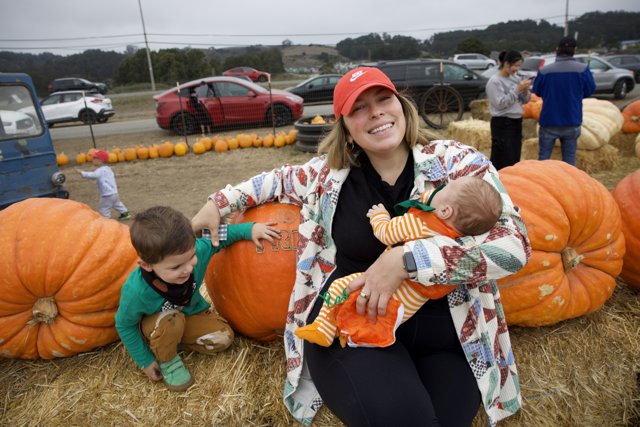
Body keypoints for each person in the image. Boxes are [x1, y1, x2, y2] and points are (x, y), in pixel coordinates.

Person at [192, 66, 530, 426]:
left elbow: (514, 246)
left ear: (401, 106)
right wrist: (217, 203)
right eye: (359, 108)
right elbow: (274, 180)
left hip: (447, 336)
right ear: (346, 126)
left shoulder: (457, 163)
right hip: (353, 327)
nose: (376, 112)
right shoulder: (327, 177)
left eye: (383, 99)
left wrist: (406, 259)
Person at [296, 176, 502, 348]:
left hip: (389, 290)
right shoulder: (457, 243)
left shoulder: (419, 224)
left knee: (340, 287)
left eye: (444, 188)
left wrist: (379, 216)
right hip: (410, 305)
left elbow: (386, 234)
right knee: (372, 316)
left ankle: (323, 329)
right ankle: (351, 334)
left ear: (445, 211)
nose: (439, 187)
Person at [115, 205, 281, 391]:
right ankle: (167, 359)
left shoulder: (198, 251)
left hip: (188, 316)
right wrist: (145, 361)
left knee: (223, 337)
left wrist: (250, 229)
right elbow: (124, 324)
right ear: (146, 266)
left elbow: (222, 235)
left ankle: (173, 342)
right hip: (160, 322)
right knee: (171, 321)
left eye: (191, 257)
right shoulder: (136, 291)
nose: (188, 269)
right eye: (176, 267)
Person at [532, 36, 596, 165]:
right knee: (569, 160)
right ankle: (568, 183)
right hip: (572, 119)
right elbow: (589, 91)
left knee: (543, 159)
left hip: (549, 121)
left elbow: (537, 91)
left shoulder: (544, 71)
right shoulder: (583, 69)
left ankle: (543, 183)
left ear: (557, 49)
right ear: (575, 50)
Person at [486, 50, 531, 170]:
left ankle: (512, 183)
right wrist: (517, 90)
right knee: (502, 158)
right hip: (502, 123)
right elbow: (500, 104)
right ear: (506, 64)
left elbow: (525, 100)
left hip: (516, 121)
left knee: (514, 157)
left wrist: (525, 90)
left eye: (519, 66)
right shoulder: (494, 81)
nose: (517, 69)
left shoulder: (515, 79)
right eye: (515, 66)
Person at [76, 149, 131, 220]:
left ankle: (105, 220)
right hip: (114, 192)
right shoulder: (108, 169)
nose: (92, 160)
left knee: (104, 208)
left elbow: (93, 175)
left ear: (100, 161)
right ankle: (125, 213)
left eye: (94, 158)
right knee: (117, 203)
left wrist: (82, 173)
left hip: (107, 194)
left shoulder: (100, 170)